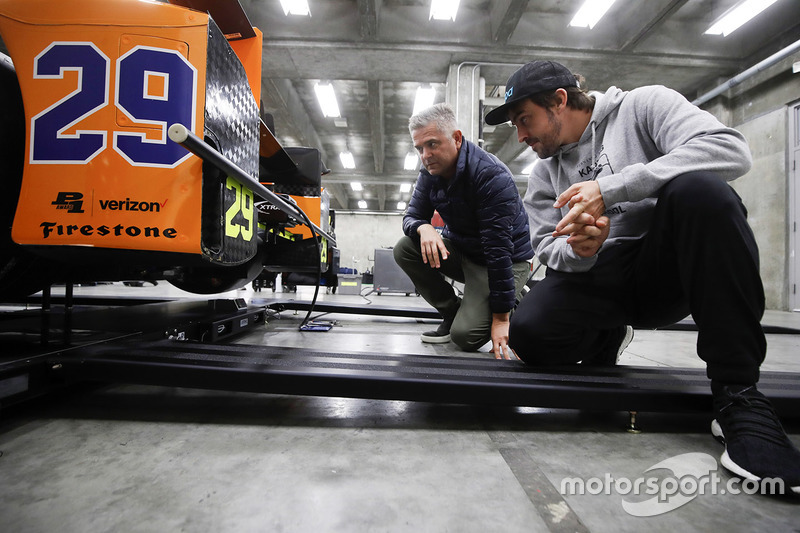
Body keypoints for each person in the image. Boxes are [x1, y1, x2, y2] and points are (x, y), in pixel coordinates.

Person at [484, 59, 799, 493]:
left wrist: (613, 188)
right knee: (531, 333)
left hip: (663, 270)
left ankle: (738, 394)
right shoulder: (543, 174)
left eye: (524, 120)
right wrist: (580, 250)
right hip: (598, 277)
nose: (520, 135)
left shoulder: (644, 106)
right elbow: (544, 246)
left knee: (702, 191)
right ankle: (604, 335)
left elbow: (730, 150)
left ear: (559, 101)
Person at [393, 103, 533, 358]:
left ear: (456, 138)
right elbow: (412, 216)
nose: (425, 155)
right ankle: (451, 311)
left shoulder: (490, 176)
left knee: (465, 337)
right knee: (405, 248)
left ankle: (517, 300)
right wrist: (424, 227)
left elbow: (498, 250)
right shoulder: (429, 173)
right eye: (419, 148)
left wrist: (501, 319)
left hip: (505, 262)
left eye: (432, 144)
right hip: (467, 253)